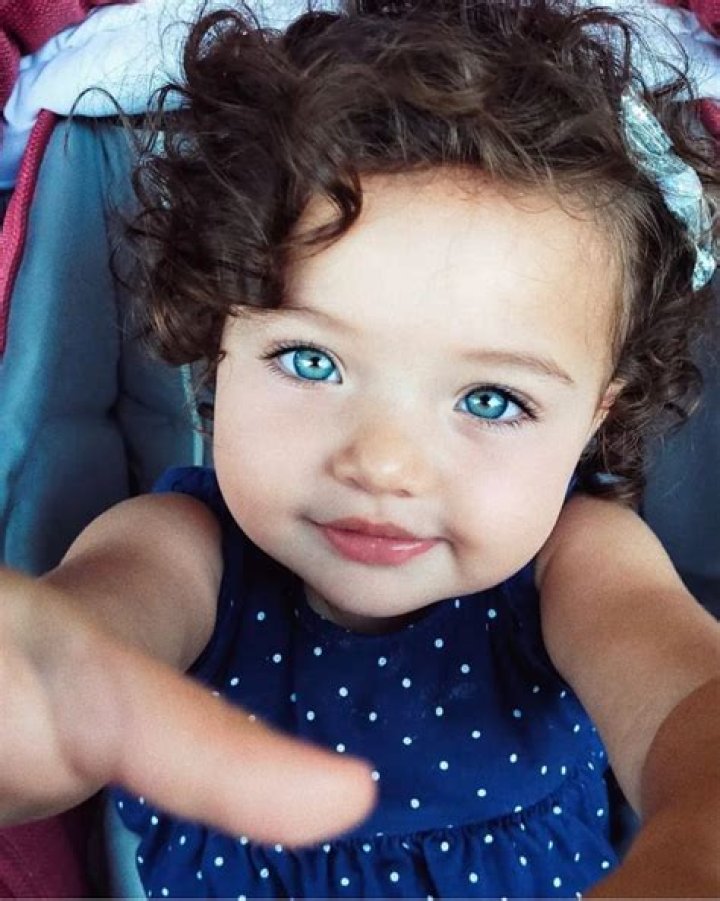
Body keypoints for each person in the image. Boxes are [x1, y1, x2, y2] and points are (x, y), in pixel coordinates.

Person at [2, 0, 720, 896]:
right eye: (311, 360)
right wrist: (36, 698)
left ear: (595, 418)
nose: (383, 464)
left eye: (492, 399)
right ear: (217, 342)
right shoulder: (177, 550)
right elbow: (77, 651)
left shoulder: (580, 564)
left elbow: (689, 701)